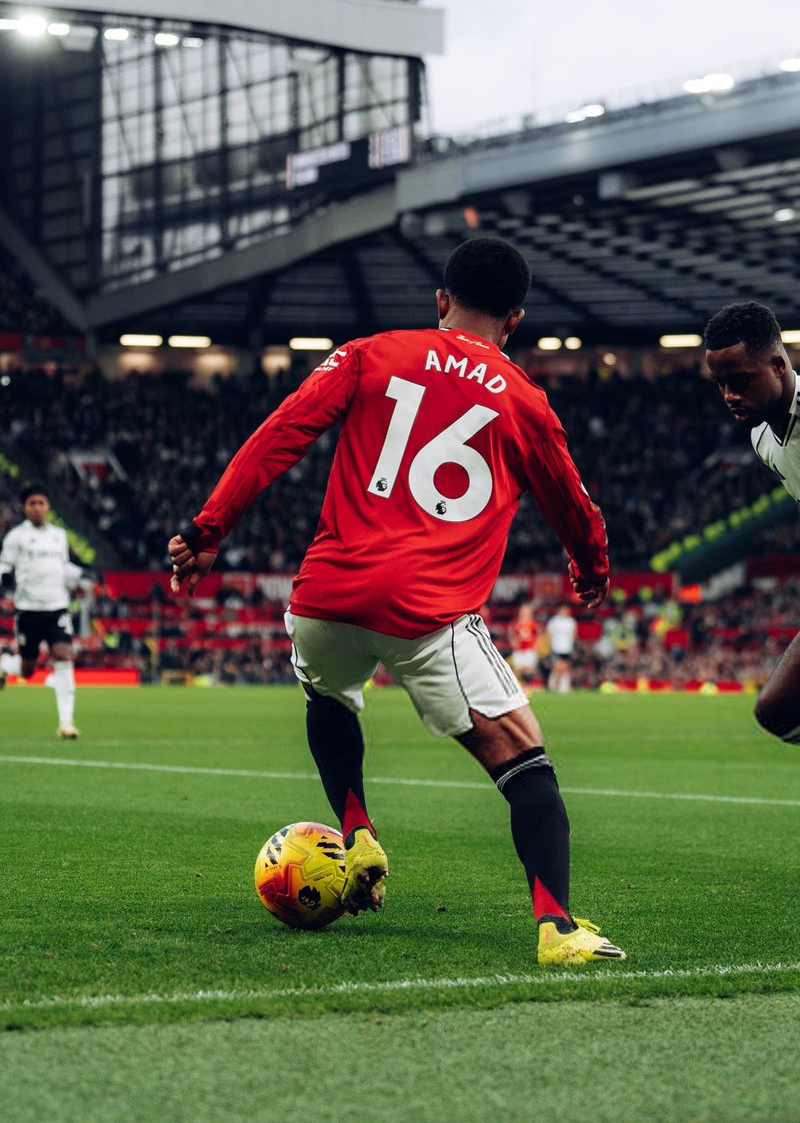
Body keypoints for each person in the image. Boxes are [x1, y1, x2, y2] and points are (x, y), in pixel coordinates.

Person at [169, 237, 625, 966]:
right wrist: (591, 567)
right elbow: (574, 504)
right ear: (516, 318)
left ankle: (356, 831)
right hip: (428, 612)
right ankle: (558, 930)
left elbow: (279, 435)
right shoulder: (530, 404)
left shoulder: (369, 353)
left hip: (324, 596)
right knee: (525, 764)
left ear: (440, 302)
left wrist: (207, 528)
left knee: (328, 693)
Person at [705, 300, 800, 744]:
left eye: (741, 381)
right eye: (721, 383)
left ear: (778, 365)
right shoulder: (761, 437)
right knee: (776, 711)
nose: (729, 395)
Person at [0, 484, 82, 738]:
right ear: (24, 507)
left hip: (57, 606)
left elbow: (63, 566)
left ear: (48, 506)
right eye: (31, 503)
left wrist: (83, 575)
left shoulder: (59, 535)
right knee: (28, 668)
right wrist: (5, 580)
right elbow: (4, 564)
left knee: (64, 655)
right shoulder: (16, 537)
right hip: (28, 610)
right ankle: (5, 665)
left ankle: (66, 723)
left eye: (41, 503)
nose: (37, 508)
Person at [546, 604, 578, 692]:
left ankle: (564, 687)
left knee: (565, 667)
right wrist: (549, 646)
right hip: (556, 647)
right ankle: (553, 685)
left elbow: (574, 635)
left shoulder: (571, 621)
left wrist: (573, 646)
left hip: (567, 648)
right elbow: (549, 635)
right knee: (557, 667)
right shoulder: (553, 621)